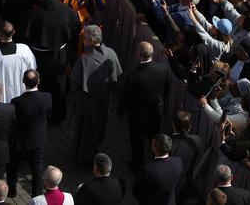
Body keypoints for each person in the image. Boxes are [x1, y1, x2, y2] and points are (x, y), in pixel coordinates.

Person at [70, 24, 122, 165]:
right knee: (99, 126)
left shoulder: (83, 59)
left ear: (92, 41)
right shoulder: (111, 53)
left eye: (85, 38)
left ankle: (83, 158)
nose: (83, 40)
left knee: (84, 129)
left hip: (86, 101)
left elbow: (74, 83)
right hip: (104, 99)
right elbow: (117, 75)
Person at [120, 42, 173, 168]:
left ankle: (138, 163)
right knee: (154, 136)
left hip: (137, 115)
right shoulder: (164, 69)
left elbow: (126, 96)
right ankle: (157, 159)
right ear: (152, 53)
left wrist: (120, 109)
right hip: (156, 112)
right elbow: (167, 90)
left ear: (139, 54)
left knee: (136, 139)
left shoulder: (134, 75)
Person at [8, 70, 52, 198]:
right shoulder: (47, 97)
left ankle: (12, 190)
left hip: (19, 141)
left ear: (23, 82)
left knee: (12, 166)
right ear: (38, 81)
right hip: (37, 140)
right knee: (37, 169)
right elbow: (48, 116)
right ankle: (37, 195)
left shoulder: (16, 101)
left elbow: (13, 121)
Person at [0, 21, 37, 107]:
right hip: (22, 99)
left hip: (0, 102)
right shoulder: (25, 50)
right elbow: (32, 71)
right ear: (13, 32)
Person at [132, 134, 184, 205]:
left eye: (152, 144)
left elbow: (137, 191)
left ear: (155, 149)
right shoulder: (178, 162)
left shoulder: (148, 170)